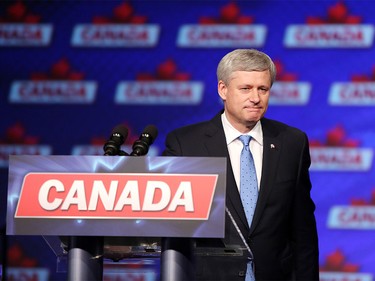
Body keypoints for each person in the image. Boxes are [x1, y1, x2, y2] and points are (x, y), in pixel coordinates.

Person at [162, 49, 319, 280]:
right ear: (223, 89)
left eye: (262, 89)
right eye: (245, 88)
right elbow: (171, 227)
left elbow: (303, 229)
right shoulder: (186, 144)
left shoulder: (292, 142)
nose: (255, 98)